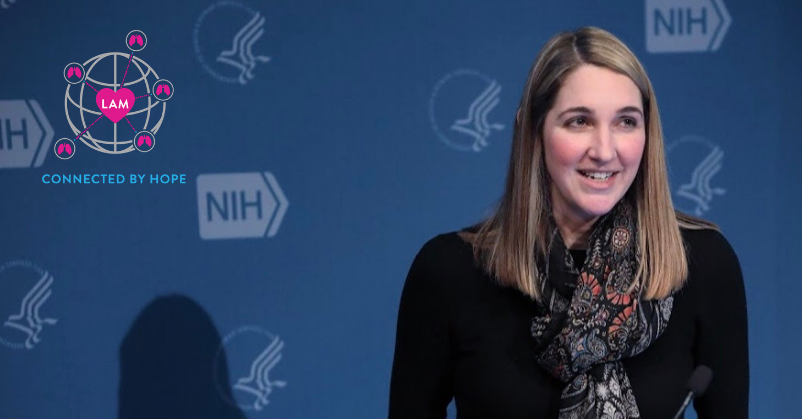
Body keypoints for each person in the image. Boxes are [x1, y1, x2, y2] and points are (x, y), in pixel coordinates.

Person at [388, 27, 748, 419]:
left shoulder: (701, 264)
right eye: (579, 121)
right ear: (535, 131)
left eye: (626, 122)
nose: (605, 150)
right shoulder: (449, 272)